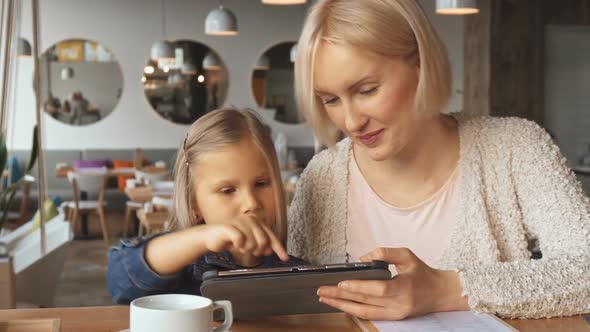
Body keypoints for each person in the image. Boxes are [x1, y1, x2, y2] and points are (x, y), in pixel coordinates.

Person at [288, 0, 590, 321]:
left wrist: (446, 289)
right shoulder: (321, 175)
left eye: (367, 90)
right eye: (331, 100)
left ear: (420, 64)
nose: (350, 122)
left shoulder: (516, 148)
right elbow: (291, 301)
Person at [107, 108, 305, 304]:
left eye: (261, 184)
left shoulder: (297, 274)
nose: (251, 203)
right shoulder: (184, 267)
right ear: (194, 204)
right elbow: (120, 279)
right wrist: (203, 237)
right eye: (227, 190)